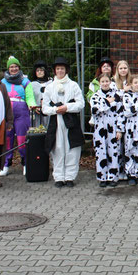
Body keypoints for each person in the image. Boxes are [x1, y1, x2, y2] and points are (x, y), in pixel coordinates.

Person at [42, 57, 85, 188]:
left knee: (72, 148)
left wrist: (67, 107)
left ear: (66, 70)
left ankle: (70, 176)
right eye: (58, 68)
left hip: (70, 121)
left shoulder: (73, 85)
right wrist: (56, 109)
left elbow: (80, 103)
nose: (60, 71)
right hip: (56, 121)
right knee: (58, 148)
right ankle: (59, 177)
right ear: (55, 71)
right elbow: (45, 108)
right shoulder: (49, 87)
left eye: (62, 68)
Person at [0, 55, 36, 177]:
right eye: (11, 67)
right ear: (8, 68)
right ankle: (5, 165)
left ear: (19, 68)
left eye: (16, 66)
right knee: (8, 139)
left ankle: (26, 164)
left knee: (22, 140)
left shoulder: (25, 81)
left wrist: (32, 105)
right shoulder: (2, 82)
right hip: (7, 114)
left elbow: (30, 97)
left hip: (22, 113)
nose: (14, 69)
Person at [89, 73, 124, 187]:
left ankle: (113, 176)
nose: (105, 83)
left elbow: (120, 113)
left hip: (113, 128)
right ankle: (102, 176)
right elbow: (95, 110)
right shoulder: (95, 96)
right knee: (100, 151)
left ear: (110, 82)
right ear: (99, 83)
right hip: (99, 128)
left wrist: (119, 129)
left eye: (106, 81)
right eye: (102, 81)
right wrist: (108, 102)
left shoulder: (116, 95)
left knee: (114, 151)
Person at [29, 60, 51, 128]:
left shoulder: (51, 83)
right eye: (37, 70)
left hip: (49, 112)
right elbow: (29, 98)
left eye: (41, 70)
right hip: (37, 113)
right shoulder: (32, 85)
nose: (39, 72)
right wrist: (34, 107)